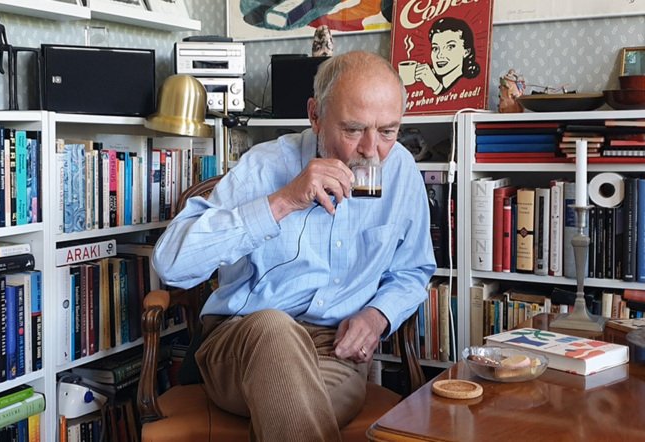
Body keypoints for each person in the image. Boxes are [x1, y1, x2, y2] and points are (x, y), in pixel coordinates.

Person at [152, 50, 436, 441]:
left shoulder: (402, 171)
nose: (372, 150)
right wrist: (282, 201)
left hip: (331, 351)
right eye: (353, 130)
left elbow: (413, 270)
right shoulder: (264, 166)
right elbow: (171, 264)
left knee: (293, 404)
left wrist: (376, 316)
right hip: (241, 340)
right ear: (315, 115)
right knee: (274, 328)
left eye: (388, 131)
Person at [414, 17, 480, 95]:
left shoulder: (470, 84)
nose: (439, 55)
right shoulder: (428, 82)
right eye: (435, 48)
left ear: (466, 52)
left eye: (450, 47)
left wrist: (436, 86)